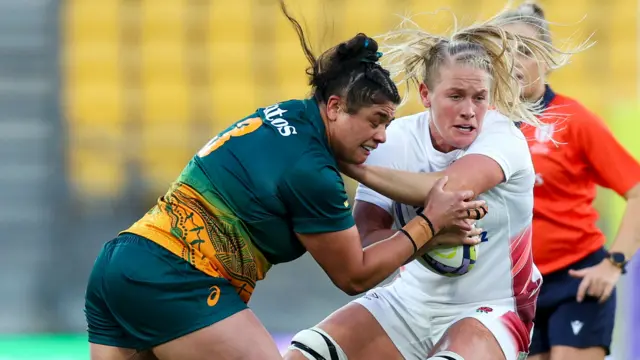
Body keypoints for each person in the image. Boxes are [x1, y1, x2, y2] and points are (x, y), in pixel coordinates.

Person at [83, 2, 489, 360]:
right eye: (376, 120)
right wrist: (429, 225)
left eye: (388, 123)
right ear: (334, 107)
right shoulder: (312, 172)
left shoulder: (287, 115)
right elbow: (354, 275)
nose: (382, 135)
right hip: (178, 278)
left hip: (120, 264)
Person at [284, 9, 579, 360]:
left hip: (491, 309)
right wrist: (427, 237)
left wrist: (352, 166)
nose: (469, 110)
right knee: (307, 353)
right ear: (426, 94)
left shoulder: (503, 138)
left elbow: (447, 189)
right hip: (408, 301)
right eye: (455, 96)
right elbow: (367, 241)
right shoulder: (393, 140)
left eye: (479, 97)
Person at [500, 3, 640, 360]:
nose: (513, 61)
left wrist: (614, 263)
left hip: (575, 280)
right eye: (502, 50)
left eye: (526, 51)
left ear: (546, 61)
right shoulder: (482, 126)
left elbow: (637, 190)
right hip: (513, 287)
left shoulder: (573, 120)